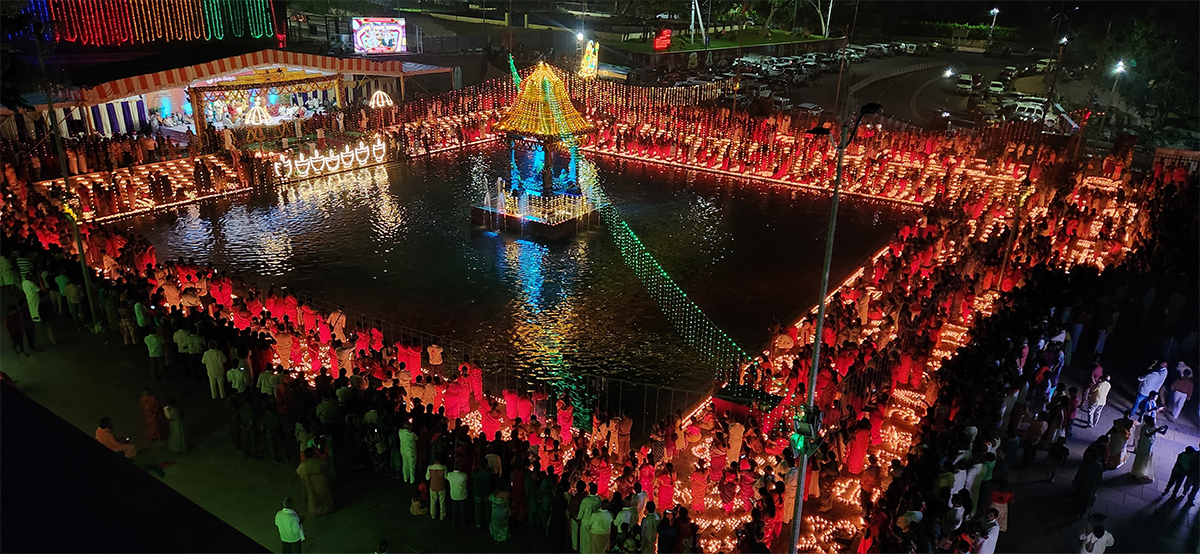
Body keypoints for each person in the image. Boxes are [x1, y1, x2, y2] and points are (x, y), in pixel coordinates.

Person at [1130, 416, 1168, 482]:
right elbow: (1148, 435)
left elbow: (1162, 433)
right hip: (1143, 445)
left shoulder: (1153, 427)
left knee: (1147, 458)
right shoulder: (1144, 428)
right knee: (1141, 459)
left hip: (1149, 445)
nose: (1153, 423)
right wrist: (1156, 430)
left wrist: (1165, 429)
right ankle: (1136, 473)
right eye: (1152, 422)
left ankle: (1143, 472)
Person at [297, 447, 333, 516]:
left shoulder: (304, 466)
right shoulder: (319, 462)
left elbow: (299, 471)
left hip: (310, 486)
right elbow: (326, 465)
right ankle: (326, 509)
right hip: (321, 484)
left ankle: (316, 512)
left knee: (313, 499)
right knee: (325, 498)